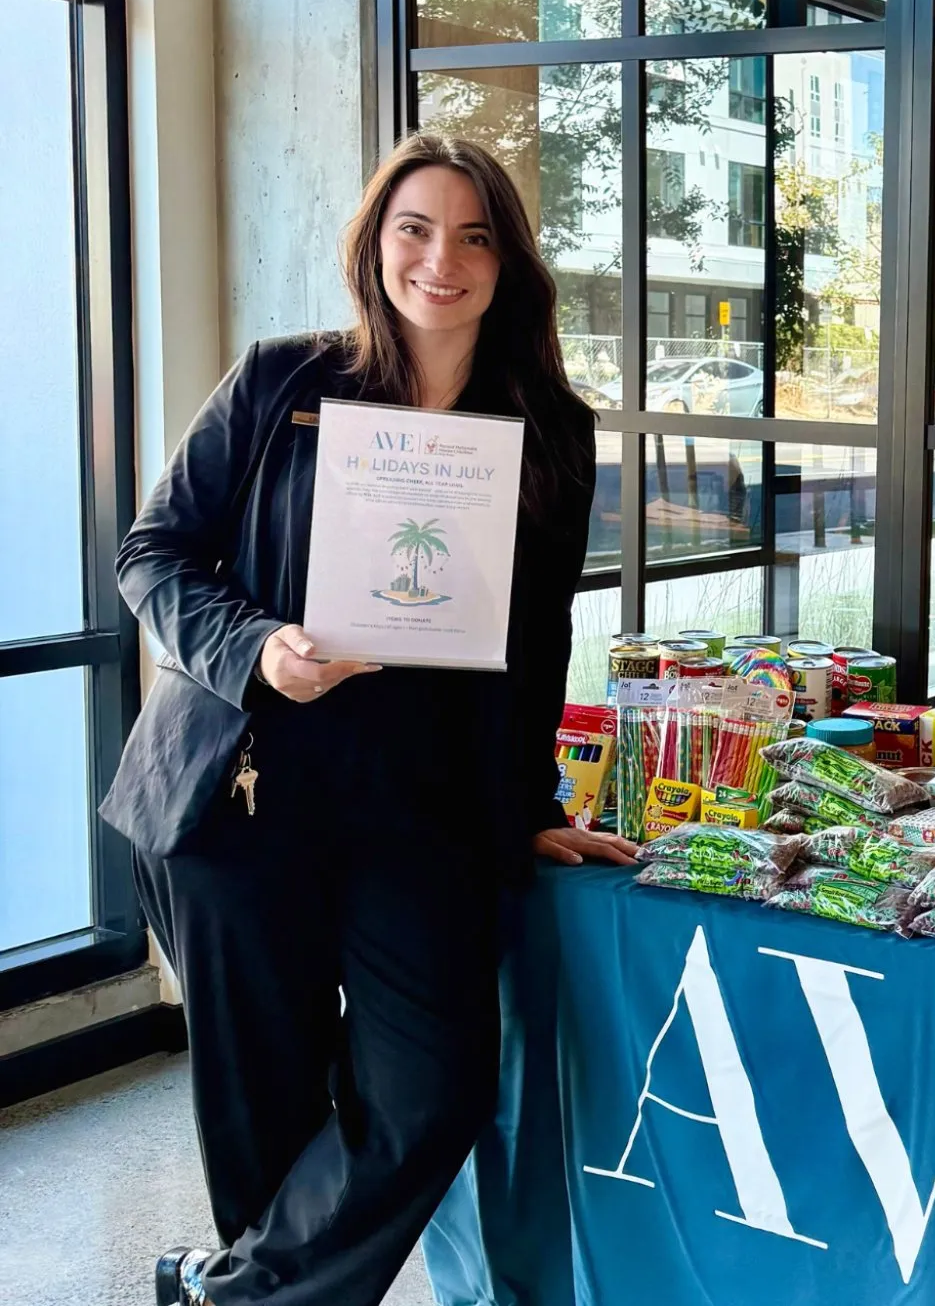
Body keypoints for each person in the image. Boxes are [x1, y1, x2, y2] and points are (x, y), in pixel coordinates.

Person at [101, 133, 637, 1306]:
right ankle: (245, 1285)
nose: (440, 259)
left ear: (507, 264)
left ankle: (223, 1295)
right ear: (374, 243)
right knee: (269, 1113)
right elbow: (153, 555)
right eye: (415, 228)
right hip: (243, 803)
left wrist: (532, 804)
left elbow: (534, 635)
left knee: (430, 1092)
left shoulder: (547, 426)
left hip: (420, 817)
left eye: (473, 235)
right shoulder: (282, 380)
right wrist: (254, 650)